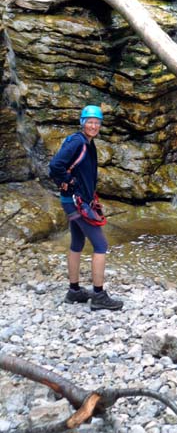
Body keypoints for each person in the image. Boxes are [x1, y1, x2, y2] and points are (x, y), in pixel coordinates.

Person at [49, 105, 123, 311]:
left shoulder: (87, 143)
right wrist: (69, 182)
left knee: (78, 241)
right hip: (75, 201)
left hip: (74, 200)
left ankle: (74, 291)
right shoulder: (78, 142)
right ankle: (99, 295)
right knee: (100, 245)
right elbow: (55, 165)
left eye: (96, 122)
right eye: (89, 122)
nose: (93, 125)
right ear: (82, 122)